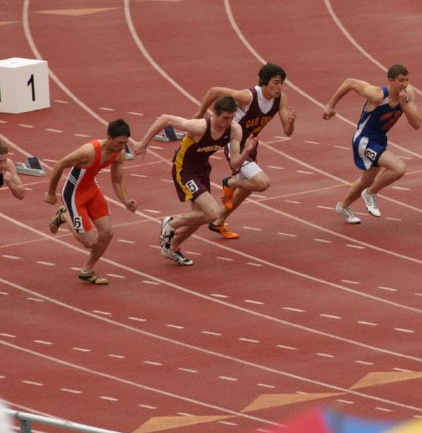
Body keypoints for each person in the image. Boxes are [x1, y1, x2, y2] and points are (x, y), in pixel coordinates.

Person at [135, 96, 256, 266]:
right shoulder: (199, 126)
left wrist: (247, 151)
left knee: (198, 218)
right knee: (212, 213)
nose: (228, 122)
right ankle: (172, 222)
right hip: (184, 169)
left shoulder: (234, 130)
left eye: (231, 117)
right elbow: (164, 119)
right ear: (215, 114)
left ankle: (171, 248)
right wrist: (143, 144)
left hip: (202, 170)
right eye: (225, 118)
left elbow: (235, 163)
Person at [194, 63, 296, 240]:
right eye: (276, 82)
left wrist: (291, 121)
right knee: (262, 183)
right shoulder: (247, 97)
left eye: (281, 83)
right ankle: (230, 183)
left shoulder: (281, 99)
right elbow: (214, 91)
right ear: (265, 82)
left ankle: (218, 222)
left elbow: (287, 132)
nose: (279, 87)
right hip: (235, 144)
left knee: (248, 189)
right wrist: (199, 113)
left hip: (251, 145)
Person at [323, 64, 421, 224]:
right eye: (401, 80)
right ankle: (371, 193)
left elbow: (417, 123)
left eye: (407, 80)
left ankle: (343, 206)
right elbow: (349, 82)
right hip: (364, 140)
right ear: (390, 80)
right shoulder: (377, 95)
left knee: (366, 180)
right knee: (399, 168)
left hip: (380, 140)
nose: (404, 84)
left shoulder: (408, 95)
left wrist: (404, 105)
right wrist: (330, 106)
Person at [44, 119, 137, 285]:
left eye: (125, 143)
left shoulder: (119, 153)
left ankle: (86, 271)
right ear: (109, 138)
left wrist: (126, 201)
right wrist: (51, 193)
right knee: (90, 242)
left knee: (107, 233)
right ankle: (64, 214)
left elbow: (117, 181)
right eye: (119, 142)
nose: (122, 146)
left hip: (91, 191)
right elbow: (60, 164)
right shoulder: (89, 151)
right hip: (74, 195)